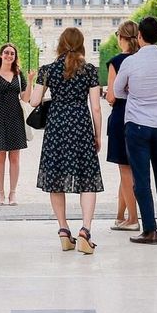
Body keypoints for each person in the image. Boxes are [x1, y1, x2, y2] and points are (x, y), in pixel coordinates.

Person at [28, 27, 104, 254]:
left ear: (60, 44)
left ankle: (63, 230)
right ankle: (85, 232)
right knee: (88, 177)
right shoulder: (90, 70)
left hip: (57, 127)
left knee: (55, 177)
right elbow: (97, 108)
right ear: (81, 44)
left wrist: (42, 87)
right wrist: (97, 135)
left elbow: (33, 102)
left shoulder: (48, 70)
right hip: (80, 124)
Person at [114, 15, 157, 244]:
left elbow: (118, 91)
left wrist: (134, 95)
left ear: (139, 36)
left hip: (137, 124)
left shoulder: (131, 62)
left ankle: (150, 230)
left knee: (141, 179)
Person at [104, 21, 141, 231]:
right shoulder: (140, 60)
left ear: (121, 37)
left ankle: (133, 219)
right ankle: (120, 216)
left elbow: (111, 95)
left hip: (120, 116)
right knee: (128, 170)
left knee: (125, 172)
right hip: (138, 116)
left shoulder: (117, 61)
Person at [0, 43, 29, 205]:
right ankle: (1, 194)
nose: (9, 55)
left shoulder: (18, 74)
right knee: (0, 157)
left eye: (12, 53)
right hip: (0, 116)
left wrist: (29, 81)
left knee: (15, 157)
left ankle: (13, 194)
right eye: (7, 53)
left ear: (15, 57)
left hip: (16, 117)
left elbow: (25, 98)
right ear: (1, 55)